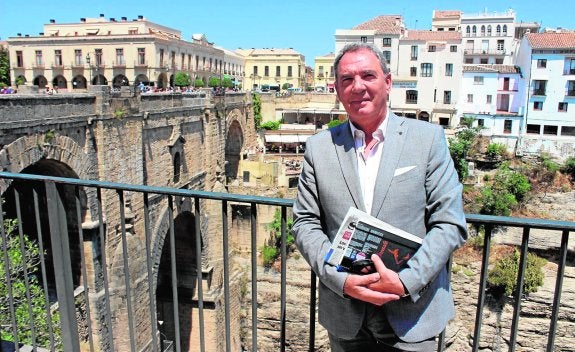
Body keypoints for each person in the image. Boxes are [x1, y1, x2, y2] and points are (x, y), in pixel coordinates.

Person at [292, 42, 468, 352]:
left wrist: (404, 282)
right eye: (347, 79)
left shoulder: (427, 140)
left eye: (367, 76)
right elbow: (305, 223)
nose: (357, 86)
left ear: (387, 82)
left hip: (411, 315)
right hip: (346, 316)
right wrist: (341, 281)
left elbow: (449, 223)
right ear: (337, 89)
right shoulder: (319, 148)